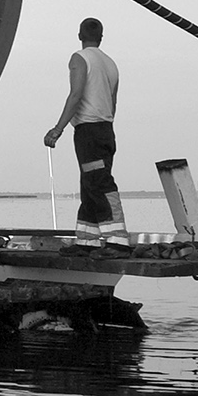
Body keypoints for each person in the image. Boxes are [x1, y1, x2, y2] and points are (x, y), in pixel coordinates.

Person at [43, 17, 127, 245]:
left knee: (99, 183)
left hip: (89, 131)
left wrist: (57, 129)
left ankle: (117, 240)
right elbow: (113, 103)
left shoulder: (79, 59)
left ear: (80, 35)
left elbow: (76, 94)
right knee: (90, 183)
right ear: (101, 37)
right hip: (106, 129)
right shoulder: (111, 64)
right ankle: (87, 240)